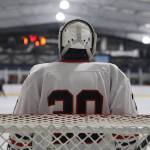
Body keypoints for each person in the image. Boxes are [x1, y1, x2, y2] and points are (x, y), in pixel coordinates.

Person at [10, 19, 137, 150]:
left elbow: (22, 128)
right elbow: (126, 132)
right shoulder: (113, 73)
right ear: (92, 43)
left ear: (61, 43)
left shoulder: (39, 73)